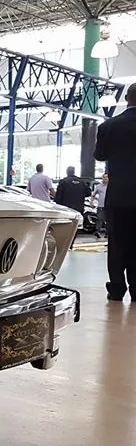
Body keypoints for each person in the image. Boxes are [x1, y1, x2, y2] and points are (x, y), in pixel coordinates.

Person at [95, 82, 136, 301]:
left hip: (118, 195)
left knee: (117, 243)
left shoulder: (109, 126)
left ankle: (117, 288)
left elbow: (99, 155)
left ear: (127, 98)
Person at [93, 173, 109, 238]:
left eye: (106, 177)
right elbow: (93, 195)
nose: (105, 178)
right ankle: (97, 231)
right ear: (102, 178)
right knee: (99, 218)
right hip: (101, 205)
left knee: (108, 220)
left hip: (109, 206)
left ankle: (107, 233)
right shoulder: (98, 186)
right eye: (104, 177)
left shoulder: (111, 186)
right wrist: (92, 202)